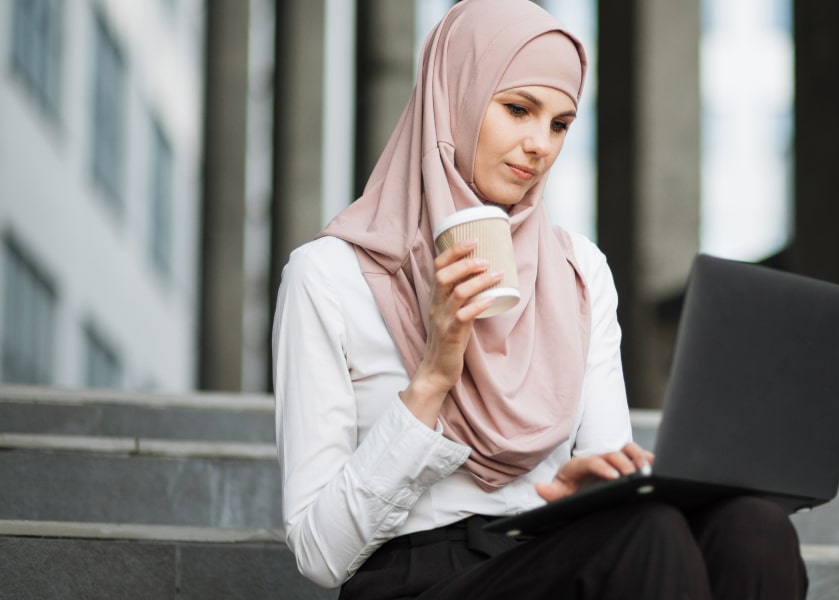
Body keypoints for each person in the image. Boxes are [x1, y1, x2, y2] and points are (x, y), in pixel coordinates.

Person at [271, 0, 808, 598]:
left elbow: (609, 469)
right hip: (416, 580)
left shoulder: (577, 271)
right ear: (456, 98)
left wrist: (596, 490)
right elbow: (320, 554)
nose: (539, 145)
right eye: (518, 109)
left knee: (752, 528)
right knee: (647, 536)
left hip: (556, 551)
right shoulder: (329, 275)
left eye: (559, 124)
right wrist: (432, 377)